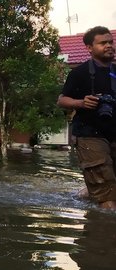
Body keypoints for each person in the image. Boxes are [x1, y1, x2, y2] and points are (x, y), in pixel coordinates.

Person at [56, 26, 116, 209]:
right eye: (103, 43)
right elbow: (61, 100)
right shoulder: (79, 73)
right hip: (90, 134)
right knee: (106, 192)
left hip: (114, 132)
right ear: (89, 48)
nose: (109, 46)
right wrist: (81, 103)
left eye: (111, 42)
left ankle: (86, 192)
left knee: (110, 183)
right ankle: (106, 231)